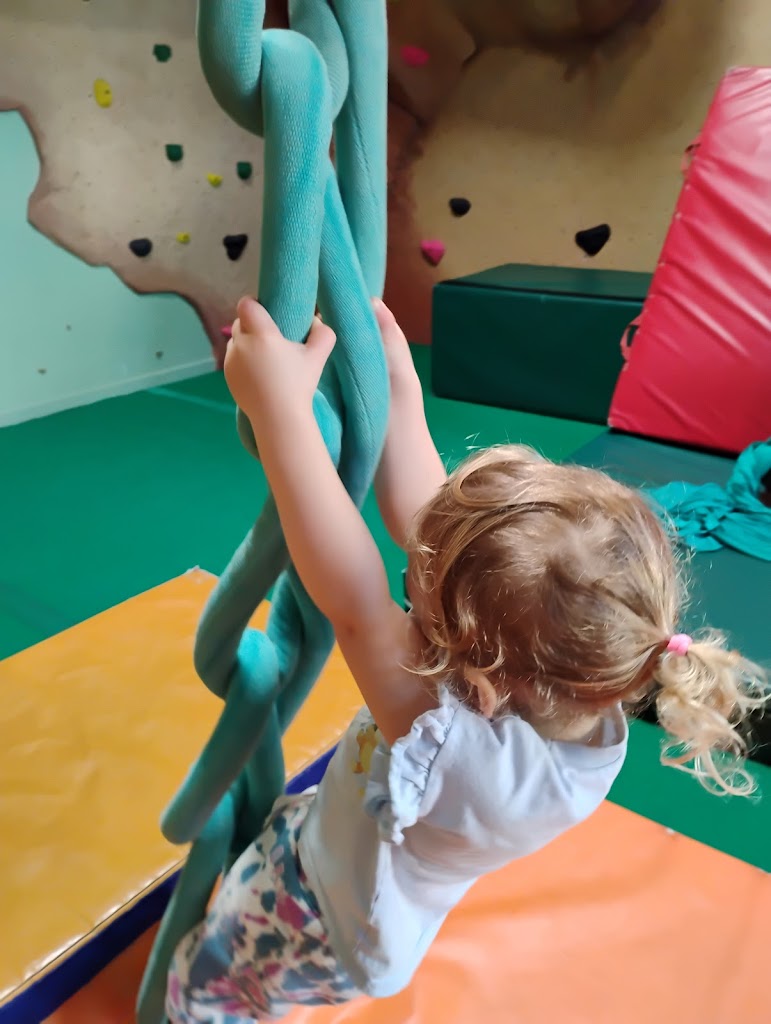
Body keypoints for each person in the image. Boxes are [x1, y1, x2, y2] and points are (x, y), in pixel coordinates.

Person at [166, 297, 768, 1023]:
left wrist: (280, 410)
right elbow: (434, 535)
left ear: (477, 680)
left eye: (415, 607)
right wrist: (394, 377)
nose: (406, 591)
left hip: (319, 919)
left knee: (208, 982)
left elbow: (356, 605)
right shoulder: (580, 667)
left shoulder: (470, 763)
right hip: (347, 847)